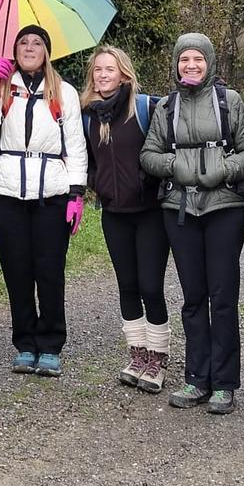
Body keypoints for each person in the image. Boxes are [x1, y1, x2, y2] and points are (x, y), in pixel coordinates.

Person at [139, 33, 244, 415]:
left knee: (222, 297)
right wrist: (175, 166)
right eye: (184, 60)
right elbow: (149, 153)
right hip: (180, 209)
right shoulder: (166, 106)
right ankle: (196, 378)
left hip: (224, 207)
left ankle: (224, 384)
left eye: (198, 60)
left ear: (209, 63)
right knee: (193, 298)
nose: (190, 66)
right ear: (176, 64)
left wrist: (222, 170)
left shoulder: (230, 101)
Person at [0, 25, 88, 376]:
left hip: (51, 190)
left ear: (47, 51)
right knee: (17, 271)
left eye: (37, 43)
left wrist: (76, 193)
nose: (29, 47)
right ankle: (24, 343)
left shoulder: (63, 91)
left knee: (50, 272)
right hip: (6, 190)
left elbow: (76, 144)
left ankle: (51, 344)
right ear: (15, 50)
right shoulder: (4, 84)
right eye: (23, 42)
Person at [80, 45, 169, 393]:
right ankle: (137, 354)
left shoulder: (147, 107)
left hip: (149, 214)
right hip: (113, 214)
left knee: (150, 286)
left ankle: (158, 358)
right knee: (127, 287)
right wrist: (96, 184)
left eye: (110, 69)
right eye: (98, 70)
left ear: (123, 74)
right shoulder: (90, 116)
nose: (103, 75)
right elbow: (86, 160)